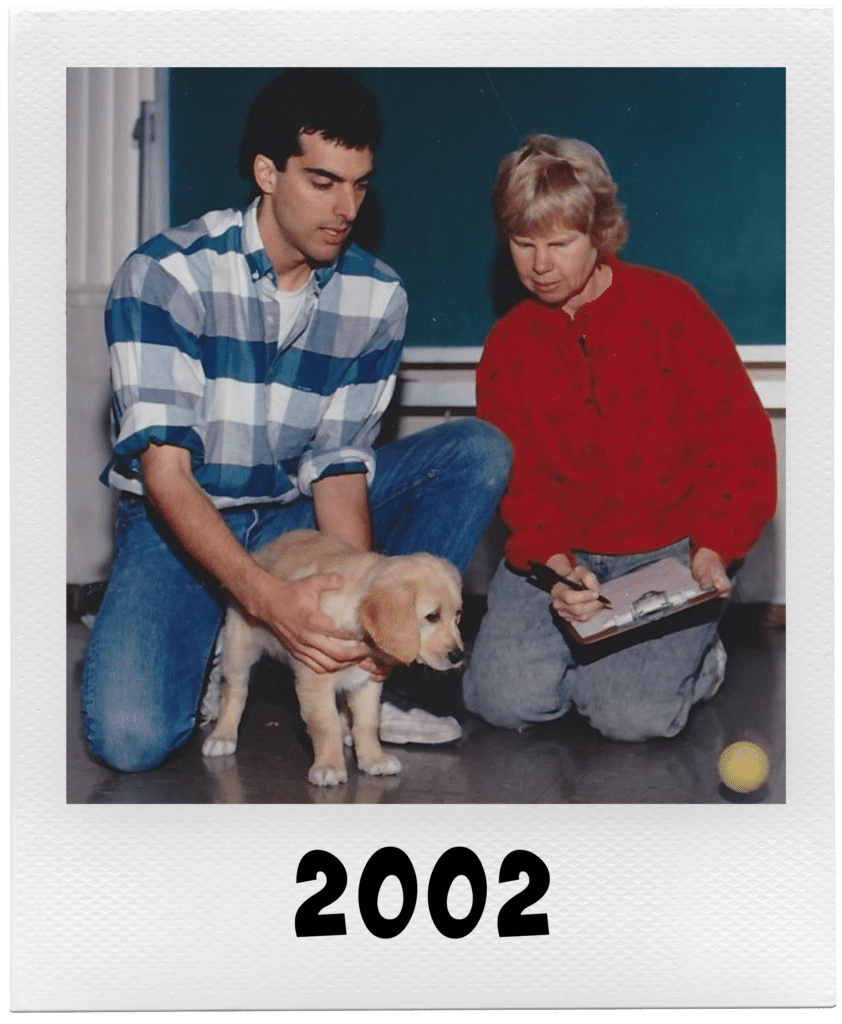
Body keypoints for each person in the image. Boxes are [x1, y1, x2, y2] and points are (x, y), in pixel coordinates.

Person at [82, 69, 511, 773]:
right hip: (179, 522)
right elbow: (165, 474)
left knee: (474, 450)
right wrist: (272, 604)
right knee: (131, 737)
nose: (346, 207)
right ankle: (212, 640)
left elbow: (339, 466)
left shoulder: (376, 297)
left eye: (360, 184)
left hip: (293, 521)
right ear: (266, 172)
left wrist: (356, 620)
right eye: (322, 181)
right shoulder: (165, 276)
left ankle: (373, 676)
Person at [463, 134, 777, 742]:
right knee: (502, 702)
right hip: (561, 558)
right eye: (523, 244)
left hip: (666, 554)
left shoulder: (672, 308)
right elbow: (518, 479)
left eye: (560, 243)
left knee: (627, 719)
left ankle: (700, 659)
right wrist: (557, 570)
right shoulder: (508, 343)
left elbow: (739, 442)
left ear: (600, 231)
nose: (540, 264)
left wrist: (715, 545)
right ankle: (595, 661)